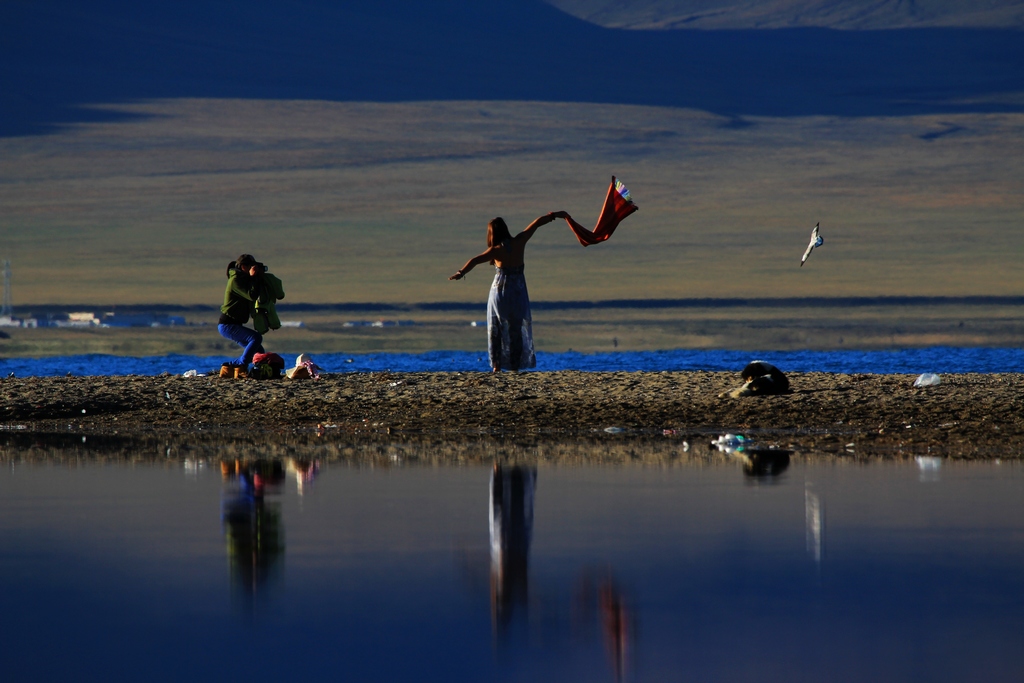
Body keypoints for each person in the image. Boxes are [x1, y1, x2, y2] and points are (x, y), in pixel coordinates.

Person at [450, 212, 567, 372]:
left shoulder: (496, 250)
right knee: (516, 329)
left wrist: (461, 272)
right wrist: (555, 215)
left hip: (499, 293)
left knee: (496, 328)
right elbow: (537, 223)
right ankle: (514, 367)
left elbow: (476, 260)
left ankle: (497, 367)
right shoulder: (520, 241)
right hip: (518, 292)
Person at [218, 253, 265, 369]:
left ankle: (237, 365)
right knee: (256, 338)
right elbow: (251, 295)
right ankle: (240, 364)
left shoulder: (243, 279)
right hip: (227, 324)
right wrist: (254, 277)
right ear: (243, 267)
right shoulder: (235, 281)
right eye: (251, 266)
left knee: (259, 351)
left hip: (234, 324)